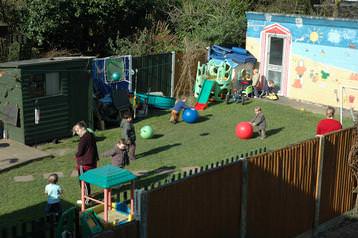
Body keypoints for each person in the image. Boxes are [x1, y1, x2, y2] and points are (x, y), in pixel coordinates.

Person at [73, 121, 99, 196]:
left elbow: (80, 152)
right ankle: (87, 196)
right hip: (92, 161)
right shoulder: (90, 135)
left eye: (78, 130)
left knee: (83, 181)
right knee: (87, 180)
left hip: (84, 163)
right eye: (76, 131)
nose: (77, 132)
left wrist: (76, 155)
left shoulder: (83, 138)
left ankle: (86, 198)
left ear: (83, 128)